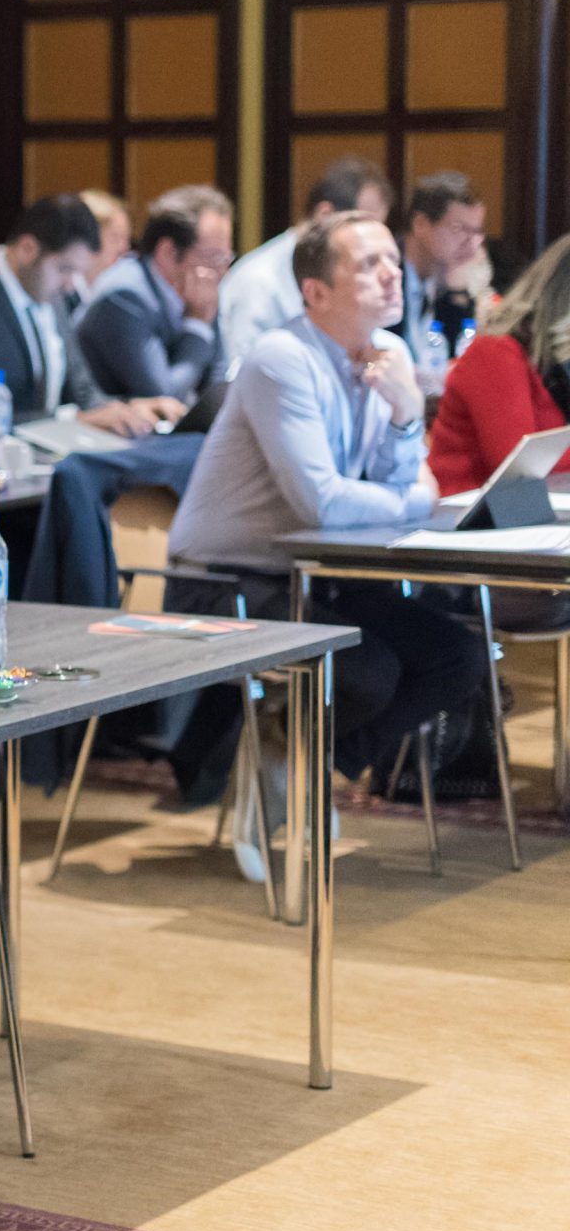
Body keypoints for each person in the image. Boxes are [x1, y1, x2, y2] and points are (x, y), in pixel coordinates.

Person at [165, 214, 481, 799]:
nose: (393, 275)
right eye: (369, 265)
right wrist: (416, 496)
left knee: (459, 655)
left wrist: (407, 416)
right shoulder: (281, 359)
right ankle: (285, 756)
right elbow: (322, 503)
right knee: (369, 670)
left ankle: (306, 758)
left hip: (315, 575)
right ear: (316, 292)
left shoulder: (388, 351)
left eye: (392, 260)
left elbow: (389, 482)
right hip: (223, 582)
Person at [0, 195, 183, 445]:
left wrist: (128, 409)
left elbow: (82, 391)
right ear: (27, 249)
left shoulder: (51, 296)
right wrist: (74, 420)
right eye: (64, 269)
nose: (71, 286)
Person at [428, 234, 570, 494]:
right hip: (464, 516)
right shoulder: (495, 351)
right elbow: (516, 463)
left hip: (526, 514)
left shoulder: (554, 359)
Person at [218, 157, 391, 366]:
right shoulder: (259, 281)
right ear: (325, 215)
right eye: (362, 226)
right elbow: (242, 370)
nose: (374, 240)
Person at [73, 184, 233, 404]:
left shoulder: (203, 286)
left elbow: (218, 382)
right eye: (212, 258)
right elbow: (163, 394)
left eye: (225, 259)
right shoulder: (124, 297)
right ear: (168, 252)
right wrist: (197, 325)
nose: (221, 272)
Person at [400, 171, 490, 355]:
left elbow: (454, 359)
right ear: (420, 223)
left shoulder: (447, 274)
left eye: (477, 231)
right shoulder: (385, 274)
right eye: (458, 228)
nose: (472, 243)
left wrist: (457, 294)